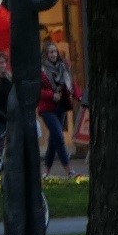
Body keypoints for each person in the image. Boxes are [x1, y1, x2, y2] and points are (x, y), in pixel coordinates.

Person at [39, 41, 78, 175]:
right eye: (51, 52)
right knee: (59, 137)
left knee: (53, 139)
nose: (54, 54)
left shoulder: (63, 66)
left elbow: (71, 83)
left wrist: (79, 96)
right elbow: (37, 90)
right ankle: (69, 170)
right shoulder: (41, 70)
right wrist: (51, 95)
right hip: (47, 109)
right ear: (45, 54)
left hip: (61, 107)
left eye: (55, 51)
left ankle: (46, 171)